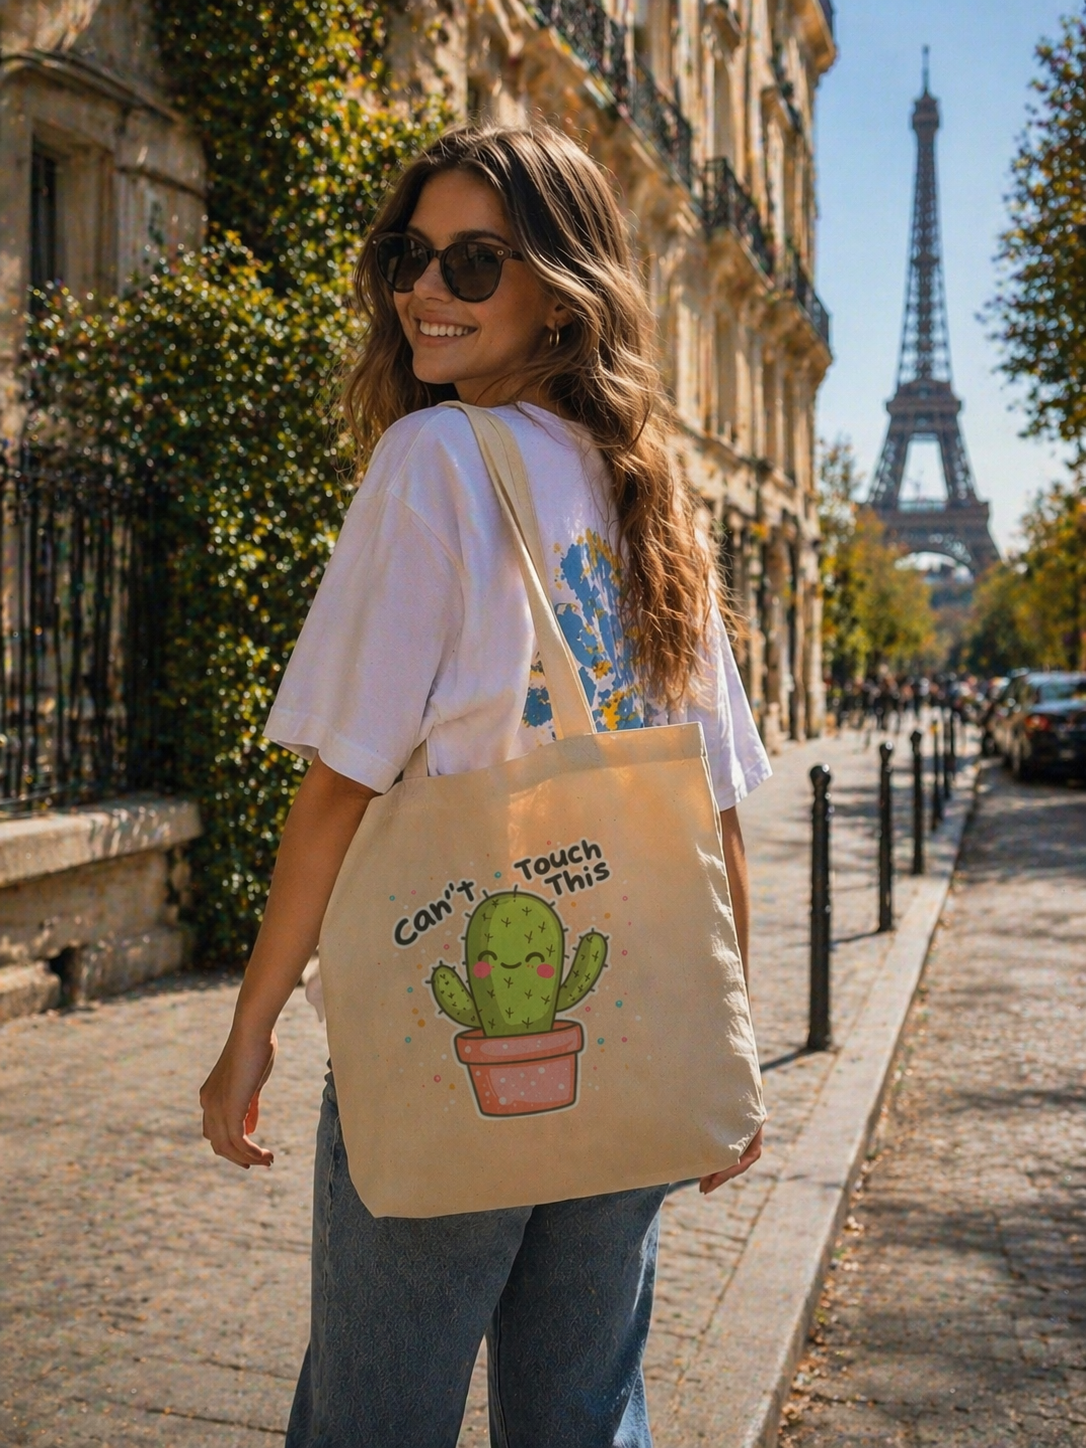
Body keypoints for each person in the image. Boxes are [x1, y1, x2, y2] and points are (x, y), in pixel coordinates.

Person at [199, 123, 770, 1448]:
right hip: (627, 1026)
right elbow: (711, 808)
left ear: (561, 287)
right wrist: (725, 1058)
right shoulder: (653, 498)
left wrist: (251, 1028)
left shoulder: (432, 463)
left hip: (450, 1029)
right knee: (581, 1416)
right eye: (408, 256)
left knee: (374, 1418)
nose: (423, 293)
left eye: (472, 263)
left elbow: (341, 789)